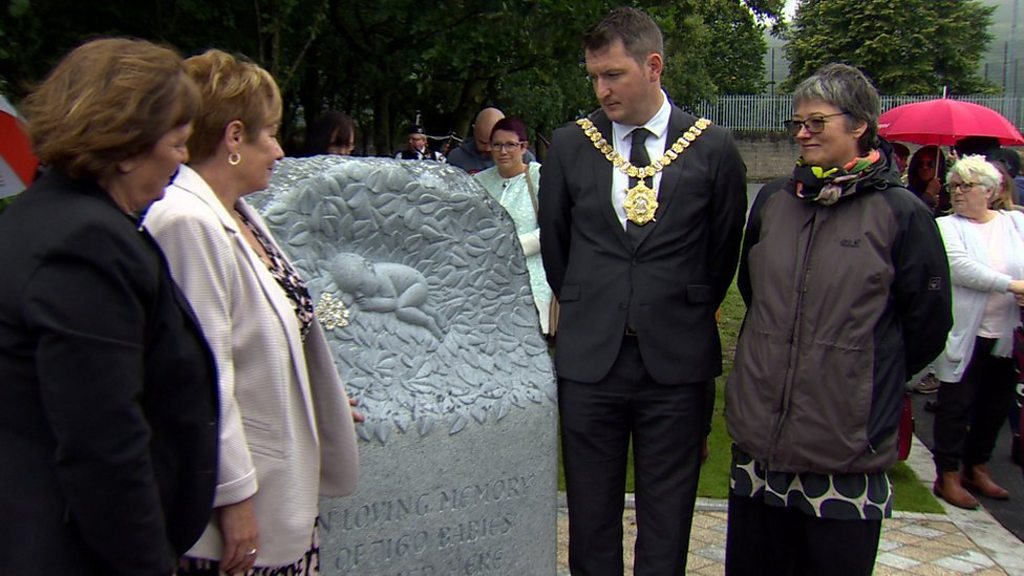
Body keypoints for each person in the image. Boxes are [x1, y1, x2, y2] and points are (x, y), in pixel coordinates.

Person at [538, 7, 746, 575]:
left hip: (676, 366)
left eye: (613, 74)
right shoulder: (570, 145)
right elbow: (560, 253)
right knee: (589, 514)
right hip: (590, 362)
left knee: (668, 516)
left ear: (653, 66)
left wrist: (673, 308)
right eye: (594, 77)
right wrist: (598, 305)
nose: (601, 89)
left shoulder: (713, 149)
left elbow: (721, 255)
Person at [0, 38, 219, 575]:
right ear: (126, 145)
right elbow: (103, 444)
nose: (183, 158)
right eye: (178, 141)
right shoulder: (85, 245)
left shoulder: (37, 219)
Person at [725, 63, 952, 576]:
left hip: (843, 446)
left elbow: (927, 325)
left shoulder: (902, 214)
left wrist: (862, 373)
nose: (802, 133)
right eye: (797, 122)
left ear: (859, 126)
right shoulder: (774, 201)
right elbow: (752, 289)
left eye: (817, 122)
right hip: (762, 439)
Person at [144, 49, 360, 575]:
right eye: (271, 133)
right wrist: (233, 500)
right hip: (237, 515)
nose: (281, 151)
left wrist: (316, 398)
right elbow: (204, 378)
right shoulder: (186, 223)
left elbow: (266, 339)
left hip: (279, 485)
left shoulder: (238, 213)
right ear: (234, 137)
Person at [930, 155, 1024, 509]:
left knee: (995, 405)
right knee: (955, 403)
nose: (957, 193)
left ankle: (977, 467)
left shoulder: (1015, 223)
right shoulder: (948, 226)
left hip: (1005, 332)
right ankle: (948, 474)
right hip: (965, 331)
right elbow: (959, 267)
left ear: (990, 191)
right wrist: (1013, 285)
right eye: (954, 186)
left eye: (966, 186)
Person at [474, 117, 552, 334]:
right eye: (497, 145)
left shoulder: (540, 176)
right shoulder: (479, 182)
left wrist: (513, 247)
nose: (503, 151)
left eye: (510, 144)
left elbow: (553, 229)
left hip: (531, 281)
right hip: (488, 279)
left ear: (524, 147)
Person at [448, 107, 536, 174]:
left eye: (494, 144)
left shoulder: (524, 158)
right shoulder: (457, 158)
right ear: (474, 131)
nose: (487, 149)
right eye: (482, 142)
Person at [908, 144, 949, 215]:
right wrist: (928, 195)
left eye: (930, 164)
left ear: (939, 166)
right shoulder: (909, 193)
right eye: (920, 164)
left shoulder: (949, 191)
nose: (925, 167)